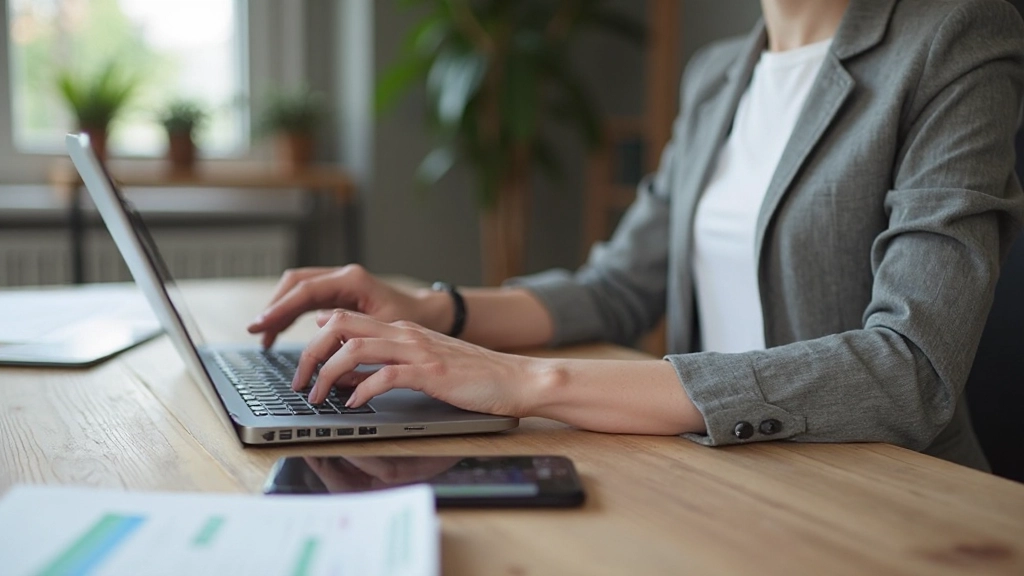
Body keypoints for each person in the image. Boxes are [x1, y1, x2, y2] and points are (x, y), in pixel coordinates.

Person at [247, 0, 1024, 471]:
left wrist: (531, 382)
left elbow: (911, 370)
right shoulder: (718, 73)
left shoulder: (956, 39)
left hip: (883, 494)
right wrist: (428, 308)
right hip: (723, 475)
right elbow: (620, 286)